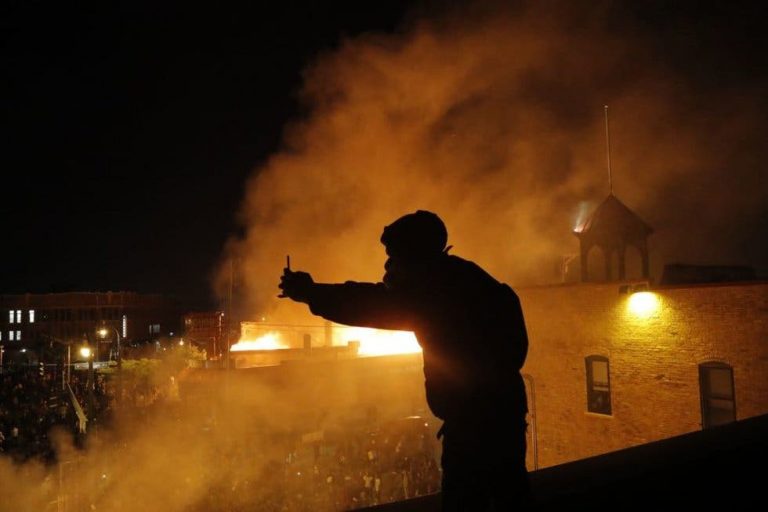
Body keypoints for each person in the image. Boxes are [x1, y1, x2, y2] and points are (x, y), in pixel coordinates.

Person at [279, 210, 531, 511]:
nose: (388, 265)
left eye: (393, 256)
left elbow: (371, 304)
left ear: (415, 255)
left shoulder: (436, 294)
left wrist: (310, 292)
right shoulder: (472, 281)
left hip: (473, 428)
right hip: (505, 417)